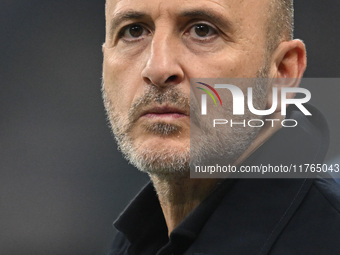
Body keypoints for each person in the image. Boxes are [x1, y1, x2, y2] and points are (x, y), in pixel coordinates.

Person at [102, 0, 340, 254]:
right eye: (133, 31)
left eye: (202, 30)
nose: (158, 68)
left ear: (282, 72)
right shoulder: (133, 243)